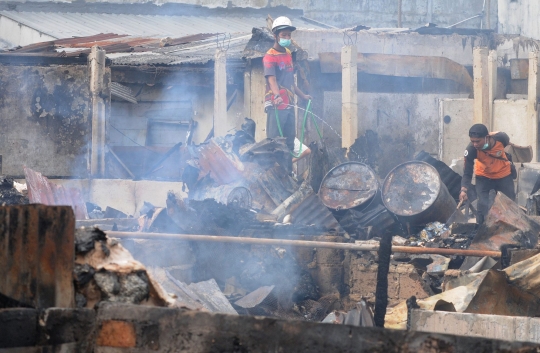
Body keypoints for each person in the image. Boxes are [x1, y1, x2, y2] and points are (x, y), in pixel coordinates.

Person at [263, 16, 311, 172]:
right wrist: (276, 96)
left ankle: (288, 175)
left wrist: (303, 96)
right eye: (283, 35)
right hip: (276, 106)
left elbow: (290, 81)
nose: (287, 38)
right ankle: (275, 174)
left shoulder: (288, 53)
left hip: (289, 104)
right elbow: (272, 80)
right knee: (276, 143)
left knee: (290, 143)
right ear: (275, 36)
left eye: (289, 35)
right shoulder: (269, 56)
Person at [459, 123, 516, 224]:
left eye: (478, 141)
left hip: (503, 174)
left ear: (487, 137)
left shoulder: (501, 138)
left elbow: (506, 144)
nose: (475, 144)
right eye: (472, 141)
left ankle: (514, 228)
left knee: (509, 204)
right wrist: (463, 190)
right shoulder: (471, 150)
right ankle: (480, 229)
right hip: (484, 176)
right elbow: (467, 172)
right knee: (482, 205)